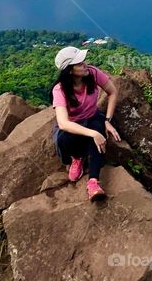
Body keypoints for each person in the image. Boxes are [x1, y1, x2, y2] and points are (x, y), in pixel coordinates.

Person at [51, 46, 121, 200]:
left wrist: (107, 121)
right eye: (79, 64)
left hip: (92, 117)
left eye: (83, 61)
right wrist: (93, 134)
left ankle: (93, 182)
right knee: (63, 139)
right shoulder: (60, 90)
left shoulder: (92, 73)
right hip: (73, 125)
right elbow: (63, 123)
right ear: (70, 70)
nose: (85, 65)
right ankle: (77, 158)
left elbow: (113, 92)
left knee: (99, 135)